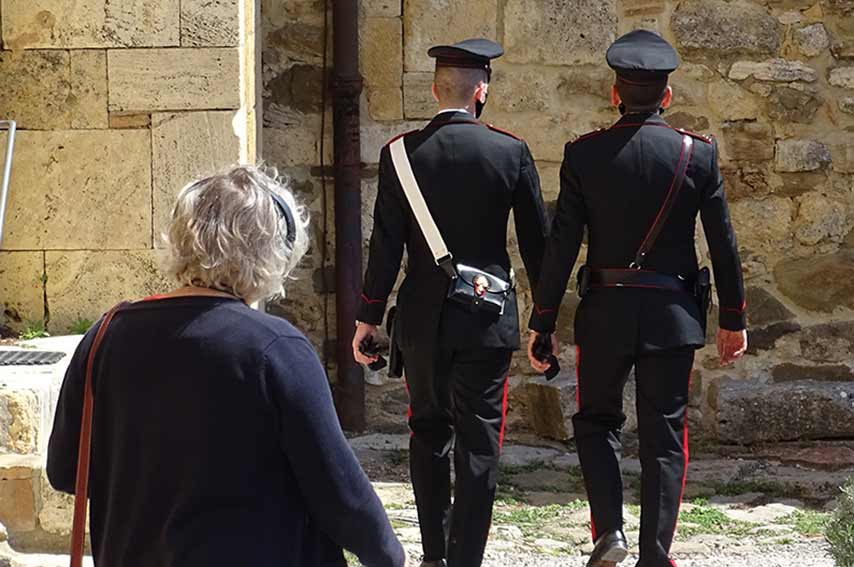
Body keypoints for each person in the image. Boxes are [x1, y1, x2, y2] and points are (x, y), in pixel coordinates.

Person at [47, 166, 408, 567]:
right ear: (270, 252)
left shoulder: (105, 336)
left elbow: (65, 473)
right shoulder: (275, 348)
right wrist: (388, 555)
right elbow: (342, 496)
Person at [527, 30, 748, 567]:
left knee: (596, 422)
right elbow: (722, 241)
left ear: (614, 93)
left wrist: (543, 320)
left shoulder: (584, 154)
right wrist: (734, 318)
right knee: (665, 434)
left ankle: (609, 534)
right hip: (672, 317)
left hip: (604, 313)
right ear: (666, 97)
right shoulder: (698, 156)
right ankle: (654, 553)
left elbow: (562, 246)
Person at [352, 38, 549, 567]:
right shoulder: (510, 152)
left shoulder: (400, 154)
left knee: (427, 433)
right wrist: (544, 323)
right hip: (486, 322)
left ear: (436, 88)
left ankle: (434, 557)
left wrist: (367, 317)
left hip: (421, 322)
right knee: (479, 445)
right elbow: (538, 250)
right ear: (480, 91)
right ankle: (466, 560)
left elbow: (385, 246)